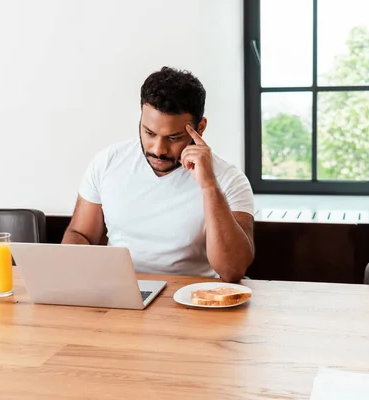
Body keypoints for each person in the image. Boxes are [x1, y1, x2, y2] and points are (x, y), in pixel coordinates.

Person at [62, 66, 254, 282]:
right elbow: (80, 234)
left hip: (190, 299)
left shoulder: (229, 179)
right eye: (149, 133)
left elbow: (233, 270)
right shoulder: (108, 162)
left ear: (200, 128)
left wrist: (209, 186)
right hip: (121, 292)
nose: (158, 149)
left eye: (173, 137)